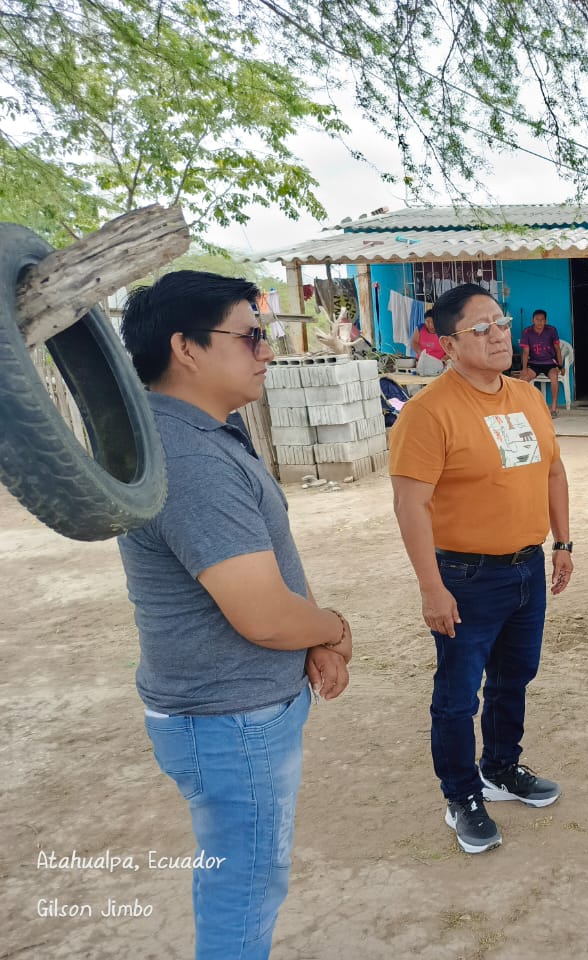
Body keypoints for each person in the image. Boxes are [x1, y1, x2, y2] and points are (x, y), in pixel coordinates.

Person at [117, 271, 353, 960]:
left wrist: (308, 640)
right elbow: (263, 615)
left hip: (232, 713)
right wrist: (333, 628)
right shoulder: (189, 455)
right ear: (185, 347)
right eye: (250, 336)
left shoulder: (204, 431)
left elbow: (265, 567)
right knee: (244, 894)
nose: (267, 351)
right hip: (229, 721)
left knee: (243, 883)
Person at [389, 283, 573, 855]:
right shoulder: (428, 412)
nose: (499, 335)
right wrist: (431, 588)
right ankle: (462, 795)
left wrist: (563, 542)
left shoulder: (527, 396)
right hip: (465, 577)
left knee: (514, 678)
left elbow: (553, 471)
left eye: (501, 322)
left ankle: (500, 768)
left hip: (526, 568)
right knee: (458, 695)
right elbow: (410, 504)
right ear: (448, 344)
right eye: (481, 328)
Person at [517, 308, 564, 417]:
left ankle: (553, 409)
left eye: (542, 320)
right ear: (533, 320)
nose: (539, 322)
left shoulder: (552, 330)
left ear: (545, 321)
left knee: (554, 377)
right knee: (522, 380)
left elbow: (557, 349)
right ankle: (522, 408)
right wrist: (524, 369)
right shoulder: (527, 332)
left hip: (550, 363)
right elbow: (525, 352)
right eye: (537, 320)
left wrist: (561, 366)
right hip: (534, 363)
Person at [414, 309, 446, 377]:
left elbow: (451, 349)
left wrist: (444, 359)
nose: (430, 325)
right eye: (427, 321)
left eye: (433, 322)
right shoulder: (420, 328)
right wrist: (421, 353)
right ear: (424, 321)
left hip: (439, 366)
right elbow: (414, 342)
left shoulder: (444, 331)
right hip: (421, 365)